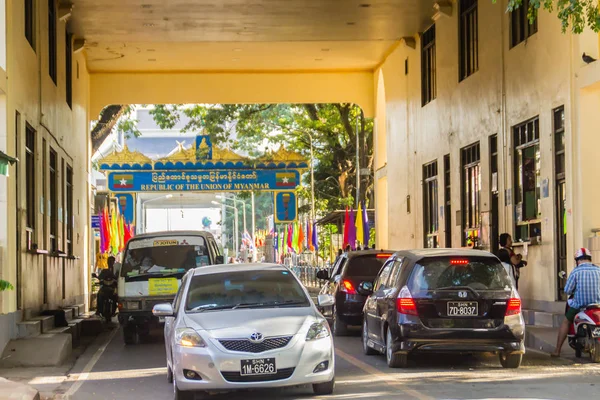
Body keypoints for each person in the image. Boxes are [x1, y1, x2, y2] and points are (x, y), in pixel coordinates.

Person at [551, 248, 600, 357]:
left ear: (577, 260)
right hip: (597, 305)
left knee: (566, 322)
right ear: (590, 259)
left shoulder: (576, 271)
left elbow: (567, 290)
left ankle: (557, 350)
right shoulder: (598, 270)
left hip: (580, 305)